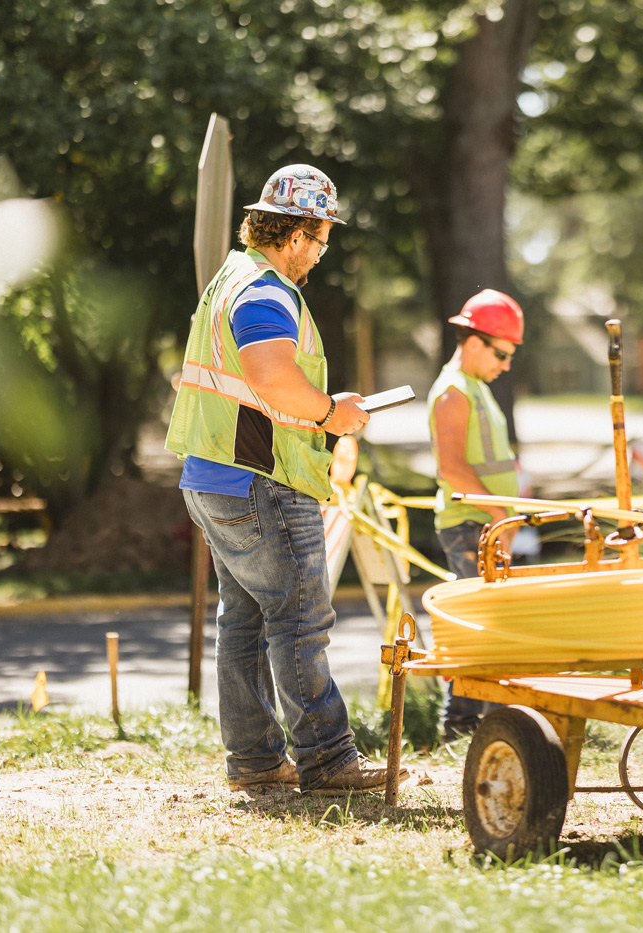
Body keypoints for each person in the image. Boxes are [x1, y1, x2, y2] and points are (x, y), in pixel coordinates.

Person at [167, 163, 404, 794]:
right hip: (259, 482)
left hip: (213, 478)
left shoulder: (230, 279)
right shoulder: (267, 289)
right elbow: (272, 379)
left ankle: (255, 762)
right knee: (301, 617)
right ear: (295, 234)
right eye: (322, 238)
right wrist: (332, 413)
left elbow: (258, 386)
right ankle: (327, 761)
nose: (322, 253)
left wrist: (324, 403)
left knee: (244, 620)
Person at [427, 288, 524, 740]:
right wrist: (498, 510)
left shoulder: (475, 389)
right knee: (485, 625)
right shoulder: (453, 394)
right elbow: (451, 468)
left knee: (485, 620)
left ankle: (468, 722)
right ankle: (464, 724)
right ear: (473, 341)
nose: (505, 364)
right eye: (501, 353)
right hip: (471, 524)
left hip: (483, 520)